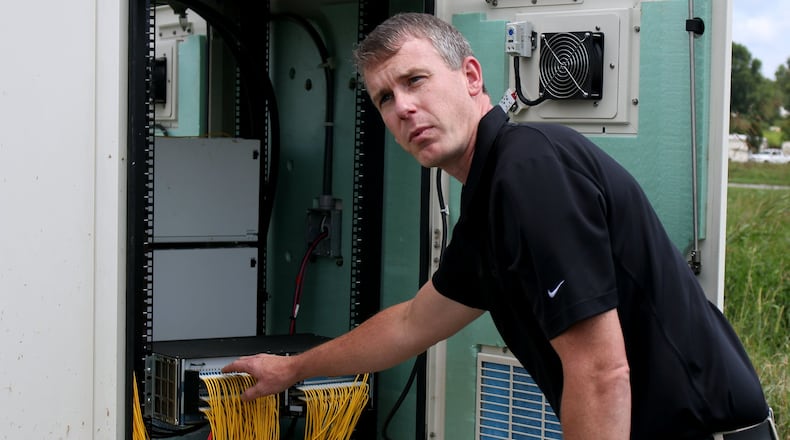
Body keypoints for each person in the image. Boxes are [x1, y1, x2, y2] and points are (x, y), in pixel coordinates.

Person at [224, 12, 777, 439]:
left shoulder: (529, 170)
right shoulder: (492, 197)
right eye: (385, 98)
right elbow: (412, 323)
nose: (403, 108)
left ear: (469, 76)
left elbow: (601, 371)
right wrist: (293, 371)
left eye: (416, 80)